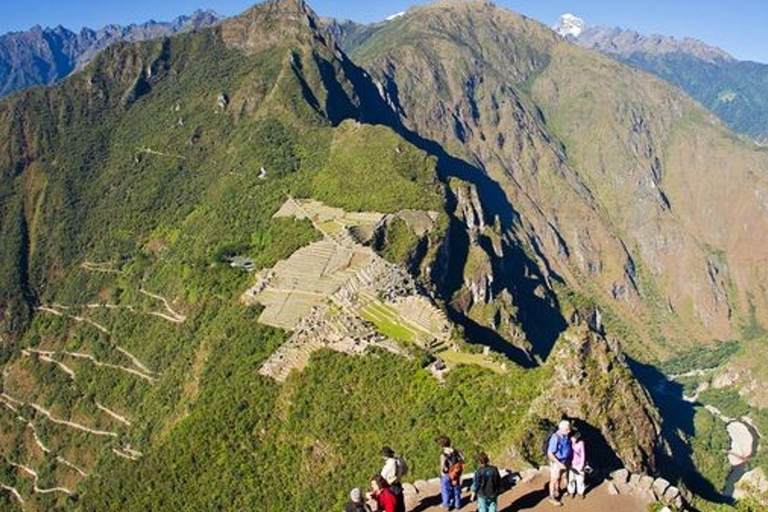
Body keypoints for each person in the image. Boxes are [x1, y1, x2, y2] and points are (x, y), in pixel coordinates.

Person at [547, 419, 573, 507]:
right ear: (561, 429)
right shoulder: (555, 438)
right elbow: (550, 453)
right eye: (567, 429)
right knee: (554, 479)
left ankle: (558, 490)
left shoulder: (565, 436)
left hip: (564, 461)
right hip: (557, 462)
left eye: (569, 429)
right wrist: (558, 463)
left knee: (560, 477)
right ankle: (551, 496)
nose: (569, 431)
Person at [437, 435, 464, 510]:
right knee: (456, 488)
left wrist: (441, 473)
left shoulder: (443, 454)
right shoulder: (456, 451)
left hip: (446, 474)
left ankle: (446, 504)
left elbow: (442, 466)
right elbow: (463, 458)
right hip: (455, 473)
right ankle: (457, 504)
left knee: (445, 490)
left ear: (441, 445)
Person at [381, 446, 407, 512]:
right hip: (398, 485)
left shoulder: (387, 466)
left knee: (392, 505)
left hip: (390, 487)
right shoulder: (400, 461)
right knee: (400, 505)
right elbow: (405, 470)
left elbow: (382, 477)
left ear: (385, 456)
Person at [567, 431, 587, 499]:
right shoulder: (569, 443)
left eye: (575, 438)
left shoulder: (581, 443)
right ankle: (571, 491)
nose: (574, 439)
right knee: (571, 479)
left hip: (579, 464)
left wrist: (582, 464)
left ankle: (580, 492)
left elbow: (583, 454)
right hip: (571, 464)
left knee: (580, 479)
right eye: (573, 438)